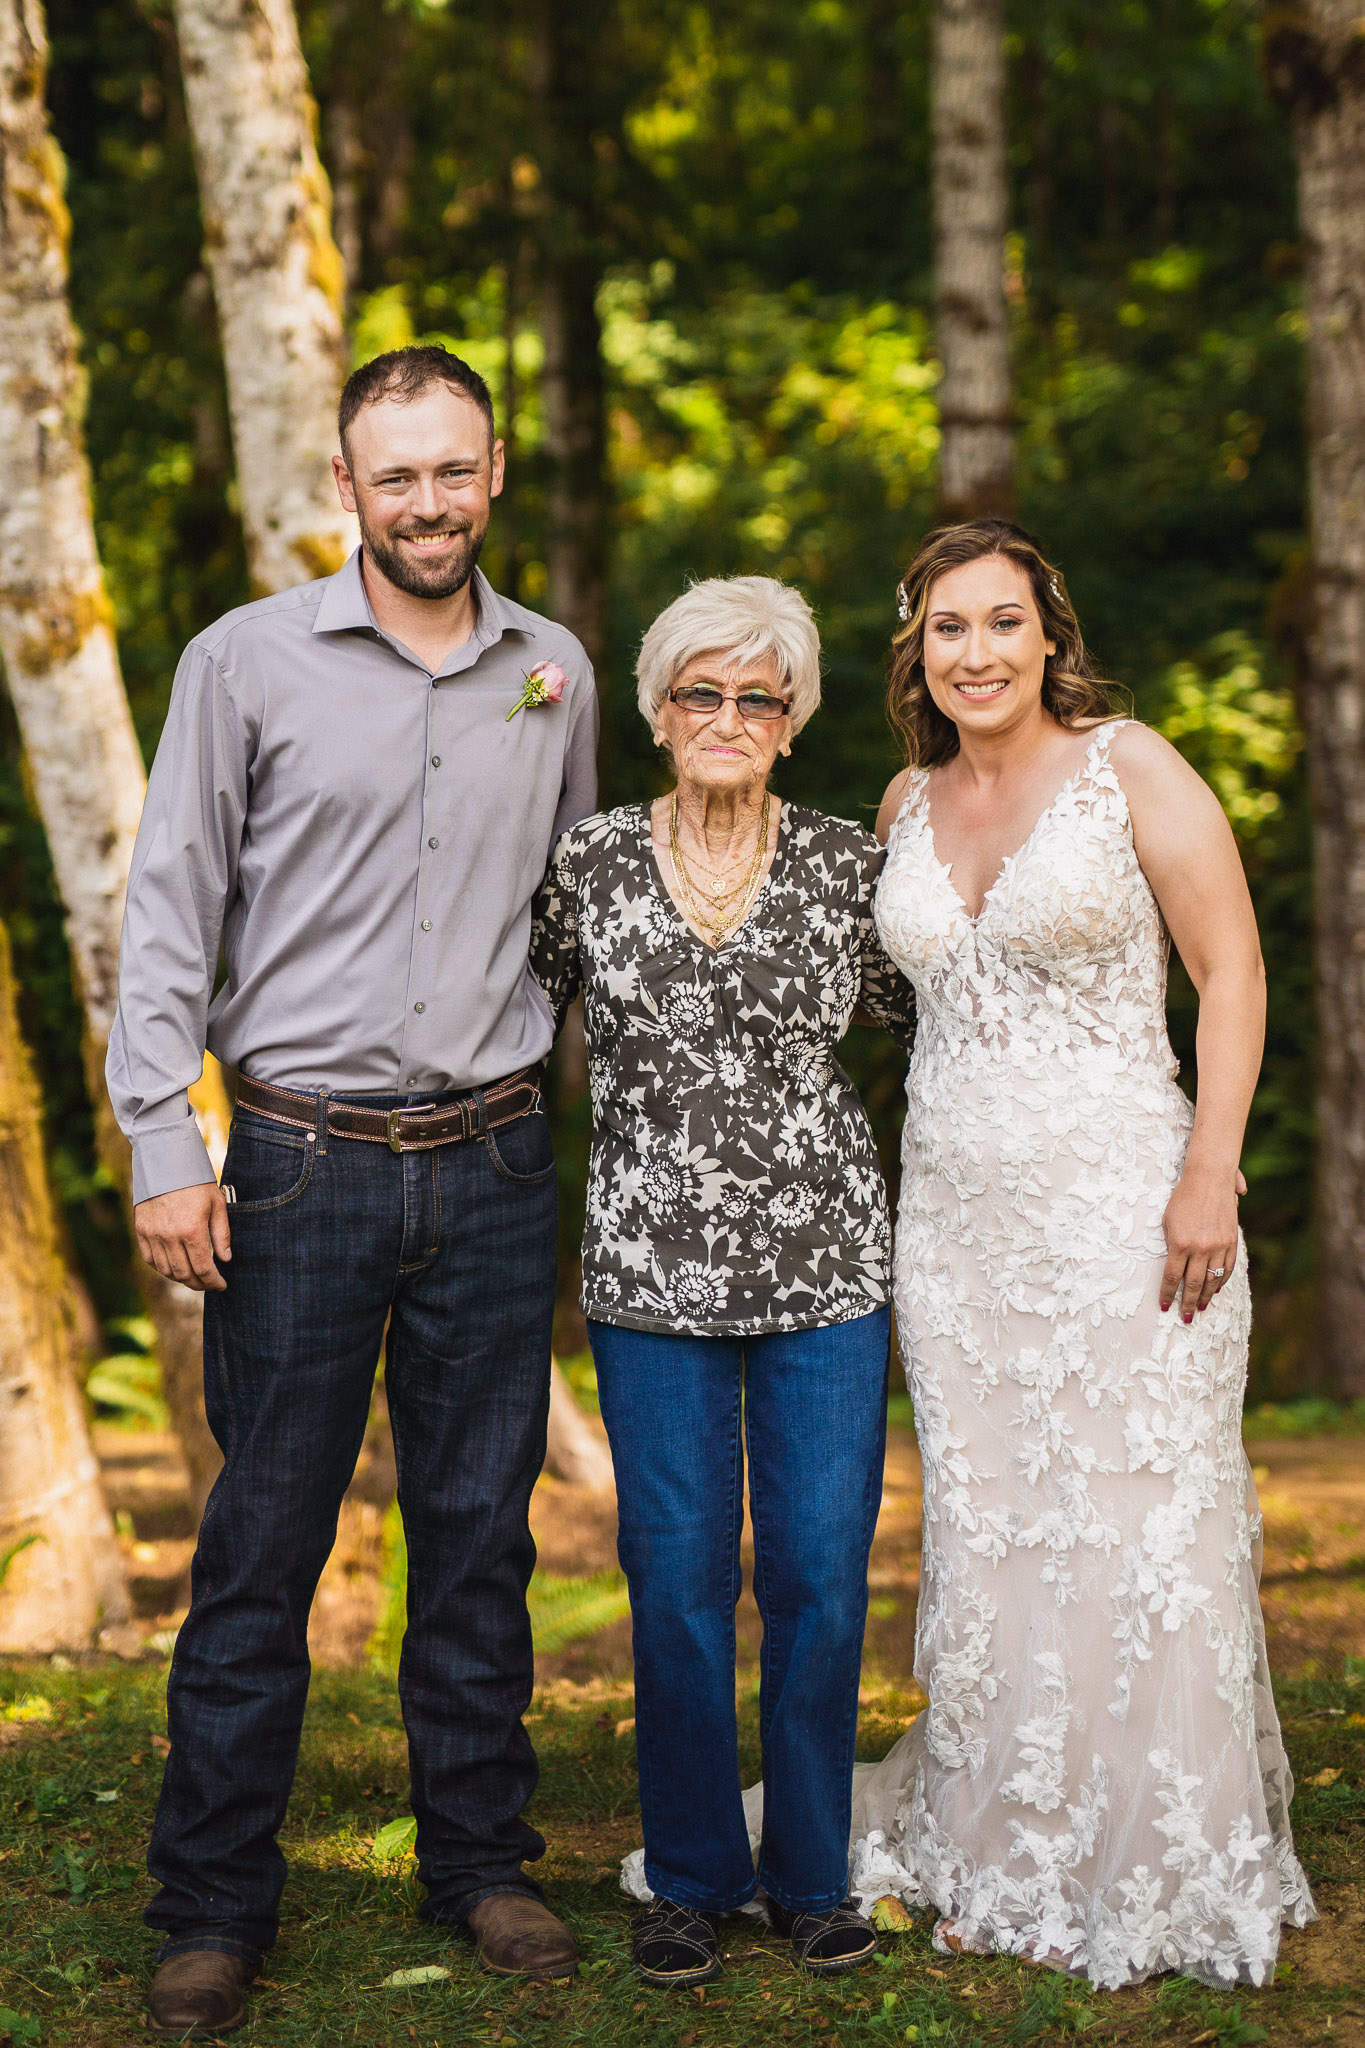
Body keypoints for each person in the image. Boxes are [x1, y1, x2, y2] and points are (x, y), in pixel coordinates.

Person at [107, 345, 599, 2040]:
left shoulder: (553, 672)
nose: (428, 503)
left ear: (495, 471)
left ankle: (480, 1862)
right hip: (296, 1165)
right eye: (397, 476)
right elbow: (170, 910)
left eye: (454, 470)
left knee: (479, 1537)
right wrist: (166, 1144)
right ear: (347, 487)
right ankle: (210, 1904)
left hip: (495, 1161)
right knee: (260, 1548)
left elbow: (571, 914)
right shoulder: (241, 661)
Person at [852, 518, 1315, 1988]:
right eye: (947, 627)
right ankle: (1004, 1841)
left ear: (1048, 634)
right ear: (917, 651)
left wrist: (1208, 1171)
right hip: (954, 1227)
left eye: (1002, 622)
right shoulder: (903, 803)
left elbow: (1230, 970)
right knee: (992, 1525)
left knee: (1139, 1519)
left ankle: (1158, 1854)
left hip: (1128, 1205)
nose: (975, 652)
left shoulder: (1131, 768)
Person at [530, 576, 916, 1990]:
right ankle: (691, 1877)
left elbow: (938, 1019)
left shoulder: (849, 866)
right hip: (647, 1277)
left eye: (761, 696)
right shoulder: (588, 864)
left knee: (818, 1573)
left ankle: (811, 1878)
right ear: (656, 709)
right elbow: (508, 1019)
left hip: (827, 1268)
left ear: (794, 721)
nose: (729, 717)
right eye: (703, 691)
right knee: (677, 1579)